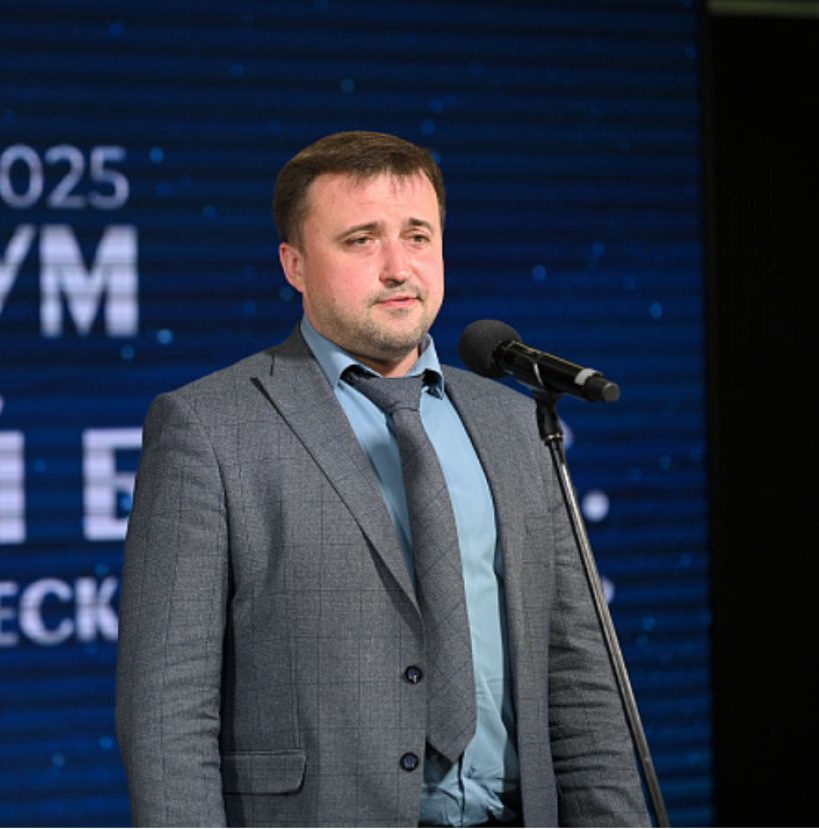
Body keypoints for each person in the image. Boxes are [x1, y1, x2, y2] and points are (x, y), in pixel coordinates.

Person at [115, 131, 648, 827]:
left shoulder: (516, 423)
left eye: (418, 237)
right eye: (361, 240)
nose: (398, 268)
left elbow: (580, 681)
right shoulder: (210, 428)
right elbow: (166, 714)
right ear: (295, 264)